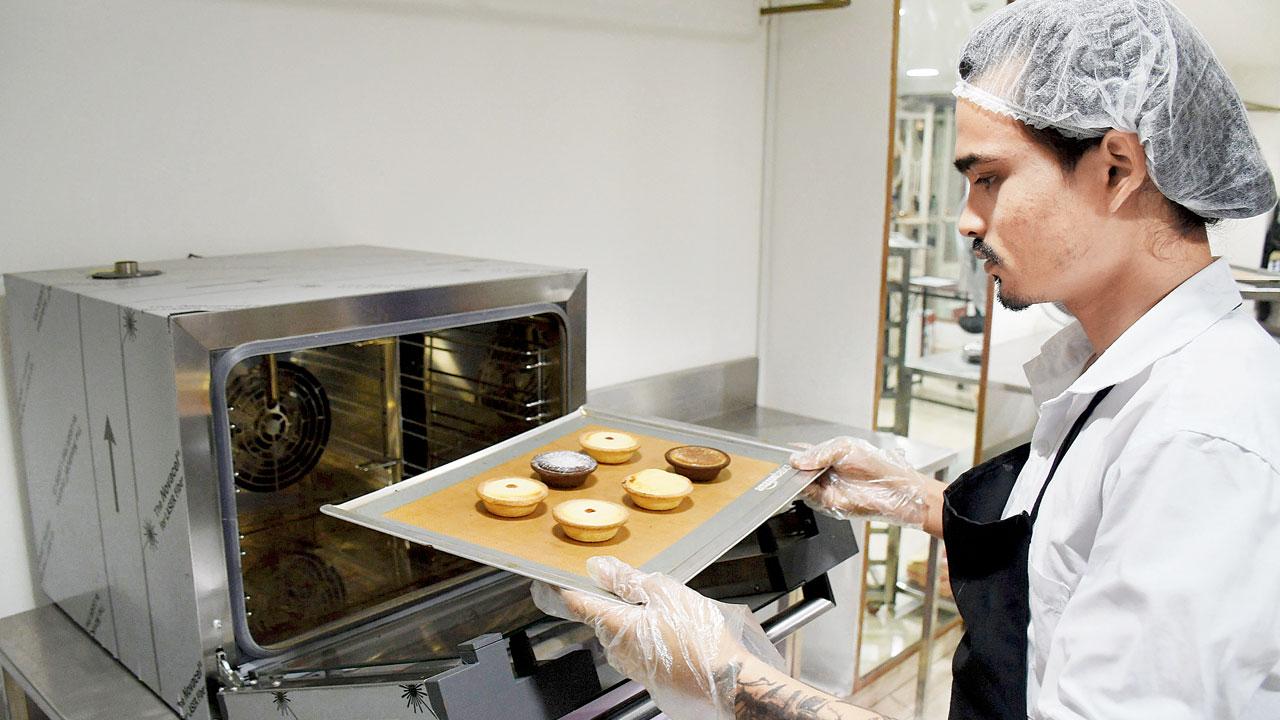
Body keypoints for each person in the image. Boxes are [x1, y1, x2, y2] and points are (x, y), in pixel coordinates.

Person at [532, 0, 1280, 718]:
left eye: (988, 177)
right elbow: (1069, 556)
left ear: (1116, 166)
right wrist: (922, 500)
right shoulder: (1124, 372)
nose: (964, 219)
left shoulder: (1203, 443)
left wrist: (728, 677)